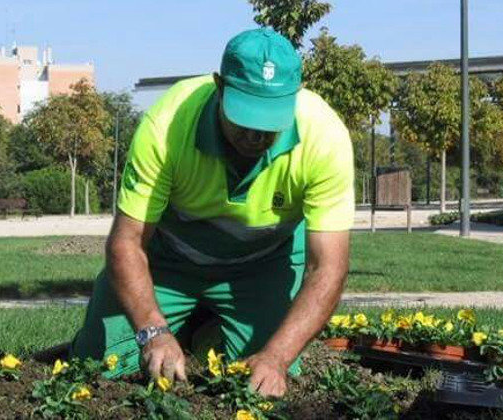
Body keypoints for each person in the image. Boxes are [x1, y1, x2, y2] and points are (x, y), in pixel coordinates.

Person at [70, 27, 353, 397]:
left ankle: (206, 331)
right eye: (246, 116)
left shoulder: (325, 137)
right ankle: (176, 326)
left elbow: (328, 267)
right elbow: (127, 243)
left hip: (263, 266)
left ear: (295, 96)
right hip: (168, 262)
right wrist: (153, 331)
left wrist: (278, 357)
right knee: (103, 368)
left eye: (270, 120)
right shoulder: (167, 125)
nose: (256, 134)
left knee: (263, 382)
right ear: (219, 87)